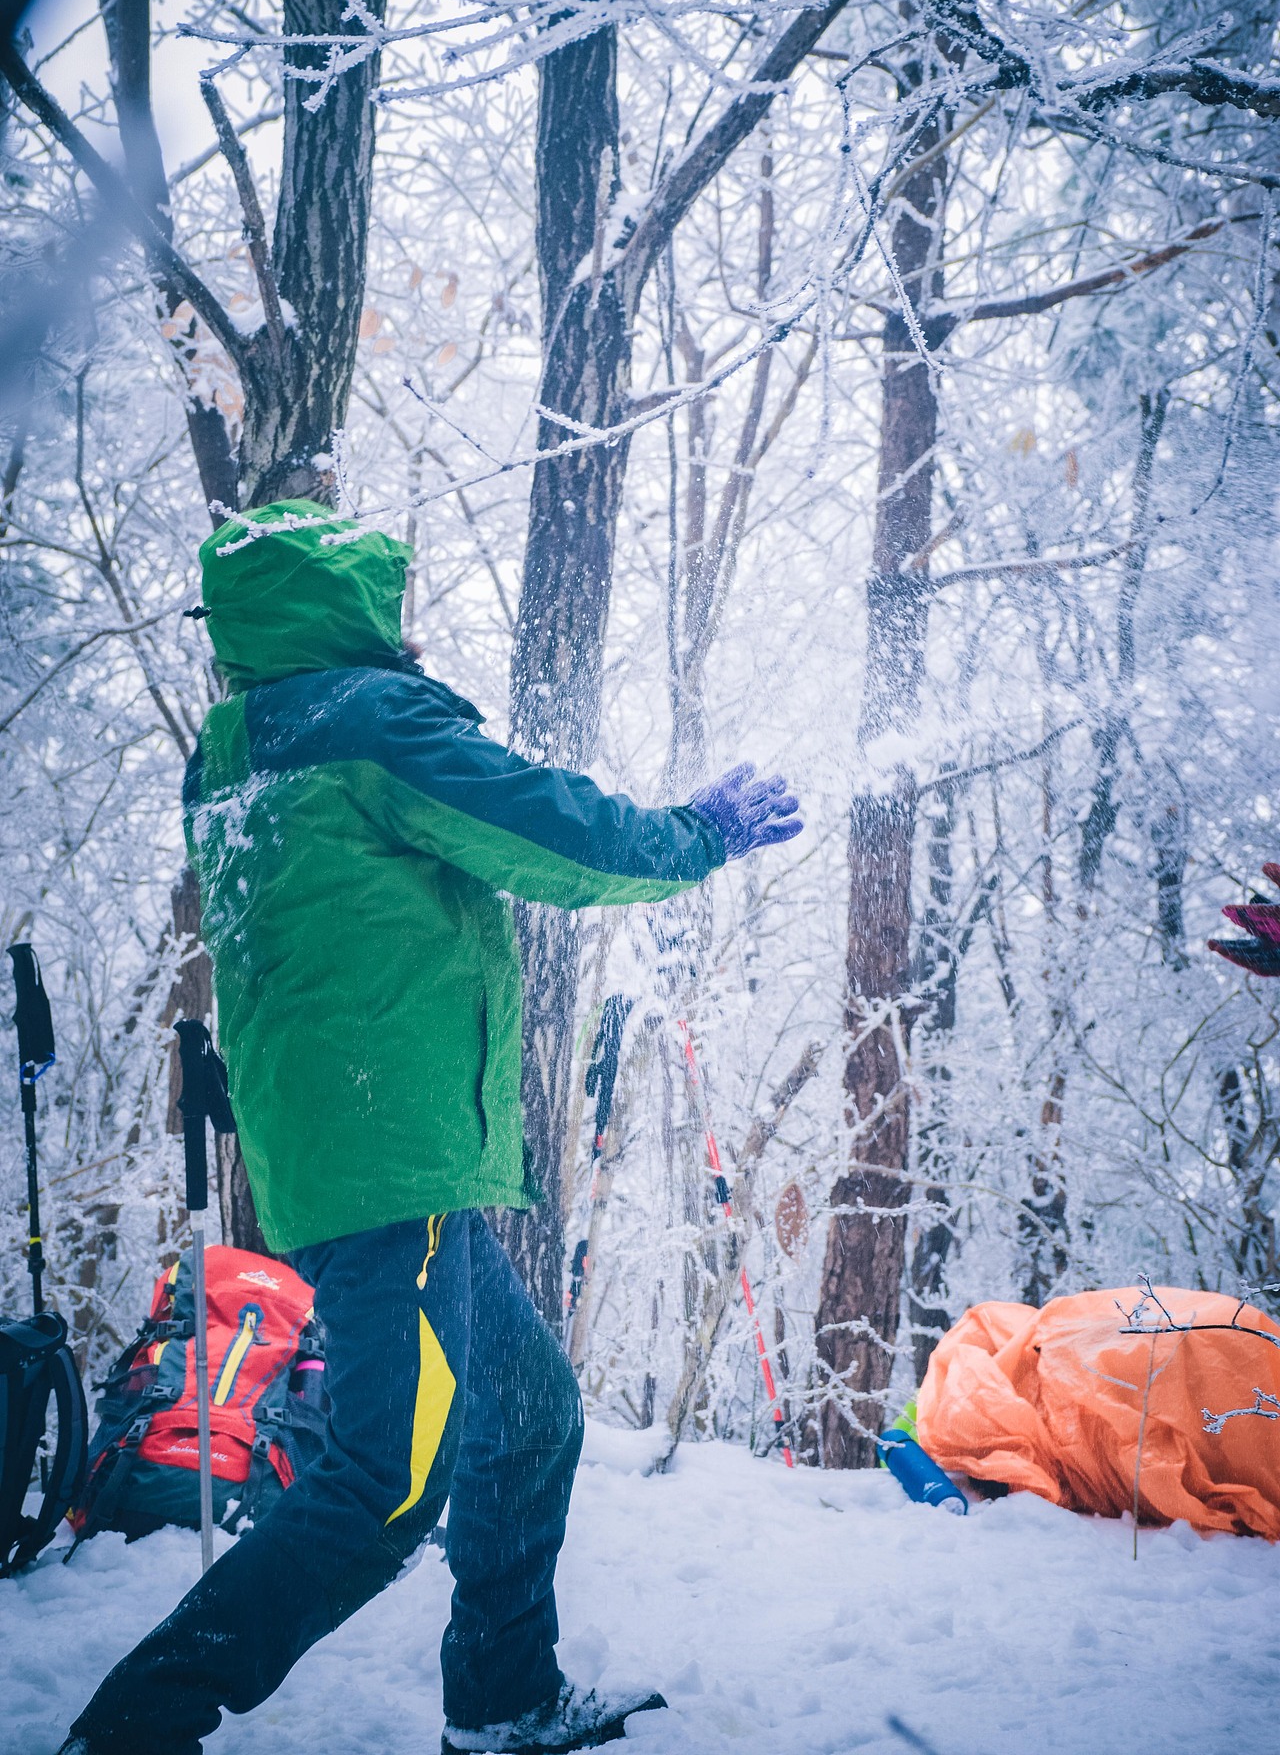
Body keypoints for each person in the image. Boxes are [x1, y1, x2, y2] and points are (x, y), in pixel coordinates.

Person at [62, 498, 802, 1755]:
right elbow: (547, 831)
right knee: (384, 1483)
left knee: (527, 1419)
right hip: (385, 1158)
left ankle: (504, 1699)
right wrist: (696, 834)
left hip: (352, 1149)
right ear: (344, 605)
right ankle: (134, 1727)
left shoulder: (237, 746)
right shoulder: (367, 723)